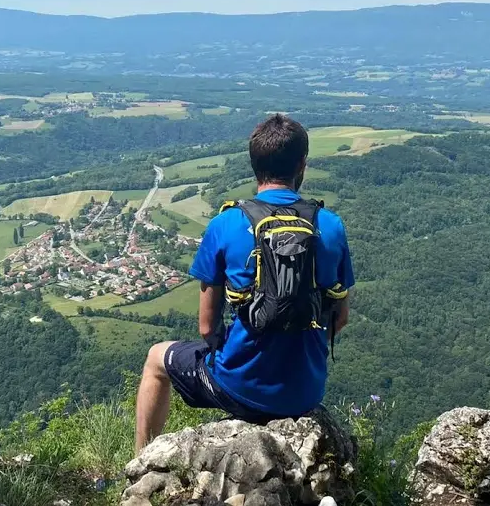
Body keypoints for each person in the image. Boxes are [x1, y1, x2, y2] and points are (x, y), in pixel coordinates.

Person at [134, 114, 354, 453]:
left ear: (254, 165)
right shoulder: (331, 227)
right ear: (302, 165)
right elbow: (340, 319)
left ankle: (141, 462)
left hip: (237, 388)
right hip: (306, 392)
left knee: (155, 359)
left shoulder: (225, 224)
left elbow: (207, 327)